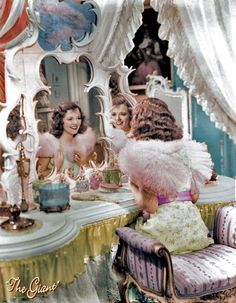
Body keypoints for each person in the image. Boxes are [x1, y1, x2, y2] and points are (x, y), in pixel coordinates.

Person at [118, 97, 214, 255]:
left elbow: (150, 206)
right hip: (195, 234)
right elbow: (194, 197)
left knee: (126, 236)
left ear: (138, 124)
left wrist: (132, 185)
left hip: (164, 241)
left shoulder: (142, 156)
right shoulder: (186, 150)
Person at [36, 101, 96, 178]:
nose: (76, 122)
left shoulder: (81, 142)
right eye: (70, 119)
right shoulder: (48, 143)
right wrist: (56, 168)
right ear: (61, 121)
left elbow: (89, 174)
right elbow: (39, 175)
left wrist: (83, 165)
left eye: (78, 118)